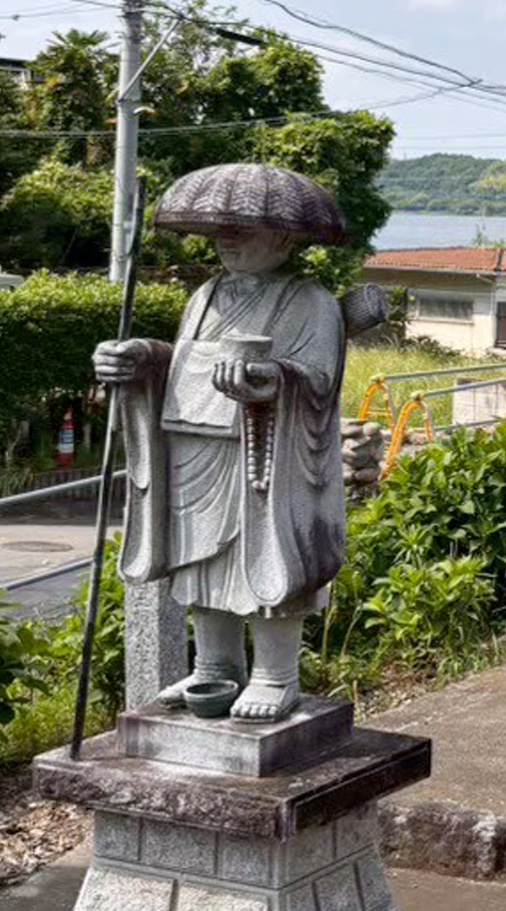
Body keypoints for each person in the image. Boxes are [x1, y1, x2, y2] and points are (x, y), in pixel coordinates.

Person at [93, 166, 351, 724]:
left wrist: (270, 378)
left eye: (244, 227)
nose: (227, 238)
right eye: (219, 229)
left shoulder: (312, 301)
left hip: (265, 453)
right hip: (194, 442)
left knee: (264, 557)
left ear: (285, 237)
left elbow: (319, 380)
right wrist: (140, 357)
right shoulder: (206, 294)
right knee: (198, 559)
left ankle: (275, 673)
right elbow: (184, 359)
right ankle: (214, 665)